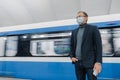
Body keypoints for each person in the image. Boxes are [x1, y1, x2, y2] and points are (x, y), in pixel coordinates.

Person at [70, 11, 102, 80]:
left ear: (86, 18)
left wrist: (98, 62)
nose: (78, 18)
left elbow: (98, 46)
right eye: (77, 17)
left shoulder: (93, 28)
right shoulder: (74, 31)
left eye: (80, 16)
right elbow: (72, 46)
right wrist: (72, 56)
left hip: (91, 63)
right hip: (78, 63)